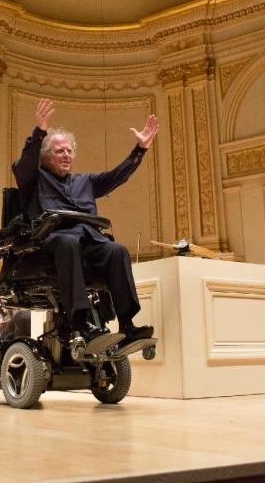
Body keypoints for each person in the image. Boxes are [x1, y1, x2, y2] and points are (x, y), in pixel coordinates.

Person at [12, 98, 157, 347]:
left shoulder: (86, 182)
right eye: (59, 151)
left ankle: (127, 324)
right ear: (45, 157)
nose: (66, 155)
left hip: (89, 241)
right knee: (68, 243)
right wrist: (40, 132)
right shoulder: (34, 179)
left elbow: (117, 176)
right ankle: (81, 323)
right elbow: (23, 165)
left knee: (117, 250)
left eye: (69, 150)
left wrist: (140, 150)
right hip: (53, 241)